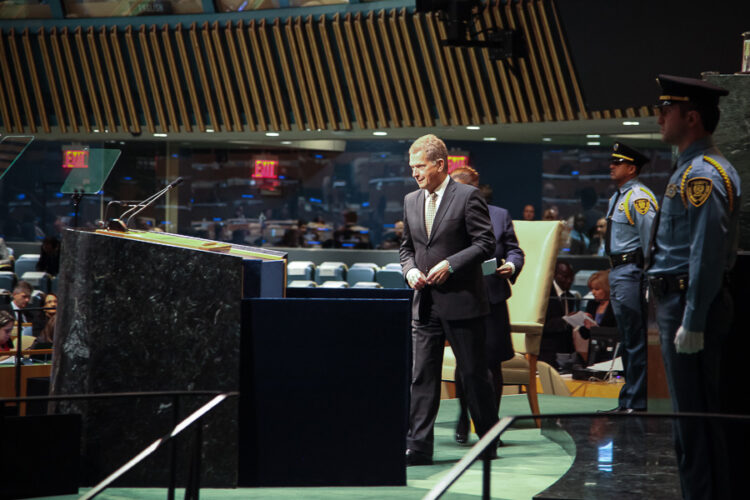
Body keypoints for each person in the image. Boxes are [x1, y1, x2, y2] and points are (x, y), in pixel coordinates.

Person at [647, 75, 740, 500]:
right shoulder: (688, 170)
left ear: (693, 117)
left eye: (669, 108)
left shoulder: (704, 176)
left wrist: (694, 319)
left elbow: (705, 251)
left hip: (688, 301)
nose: (660, 114)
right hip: (678, 300)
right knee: (688, 418)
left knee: (696, 418)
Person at [400, 134, 498, 465]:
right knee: (422, 376)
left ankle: (488, 439)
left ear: (440, 164)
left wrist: (451, 264)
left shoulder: (468, 197)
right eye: (411, 167)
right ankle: (419, 446)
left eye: (420, 166)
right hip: (425, 303)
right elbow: (406, 248)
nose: (414, 173)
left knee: (473, 375)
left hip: (462, 301)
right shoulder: (411, 200)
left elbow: (486, 244)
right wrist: (410, 270)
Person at [449, 167, 525, 445]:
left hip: (492, 297)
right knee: (466, 363)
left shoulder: (499, 214)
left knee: (492, 364)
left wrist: (512, 264)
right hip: (461, 297)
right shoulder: (446, 214)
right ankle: (462, 415)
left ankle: (491, 428)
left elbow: (514, 249)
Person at [603, 142, 656, 412]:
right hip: (619, 271)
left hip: (633, 272)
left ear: (632, 168)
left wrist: (648, 281)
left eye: (618, 162)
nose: (612, 165)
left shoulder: (639, 197)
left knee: (635, 340)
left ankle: (637, 401)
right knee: (627, 339)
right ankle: (628, 399)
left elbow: (651, 242)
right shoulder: (618, 197)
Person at [539, 261, 581, 370]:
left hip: (566, 352)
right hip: (547, 352)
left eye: (571, 277)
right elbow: (541, 324)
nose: (569, 280)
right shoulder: (544, 295)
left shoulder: (570, 297)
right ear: (554, 274)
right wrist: (565, 320)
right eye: (565, 277)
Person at [573, 270, 616, 364]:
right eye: (591, 289)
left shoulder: (615, 306)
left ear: (606, 288)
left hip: (612, 352)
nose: (593, 292)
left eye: (596, 289)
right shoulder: (592, 304)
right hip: (594, 351)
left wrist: (596, 328)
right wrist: (584, 323)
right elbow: (584, 335)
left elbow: (616, 331)